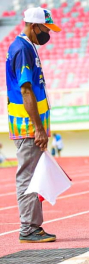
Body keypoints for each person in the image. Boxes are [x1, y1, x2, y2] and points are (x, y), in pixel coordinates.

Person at [5, 7, 61, 243]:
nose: (48, 33)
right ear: (34, 25)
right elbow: (25, 89)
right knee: (28, 177)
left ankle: (33, 227)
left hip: (31, 125)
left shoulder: (29, 47)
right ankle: (28, 228)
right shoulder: (22, 49)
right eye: (46, 28)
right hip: (27, 126)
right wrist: (38, 128)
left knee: (34, 176)